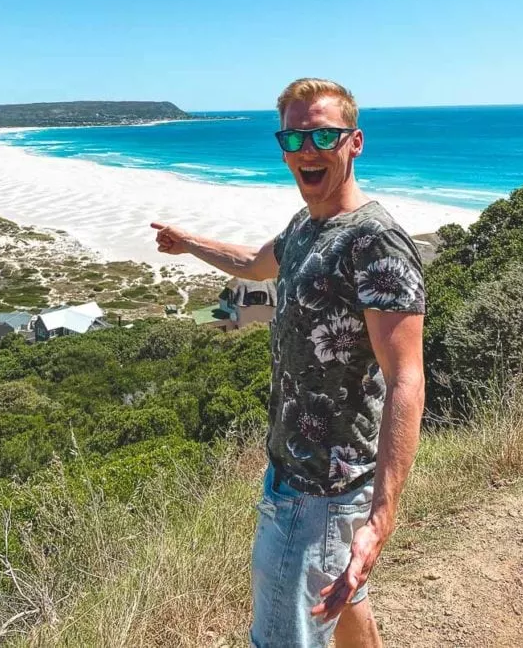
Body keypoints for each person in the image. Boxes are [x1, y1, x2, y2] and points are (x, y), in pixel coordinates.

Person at [151, 78, 425, 648]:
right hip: (299, 471)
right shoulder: (307, 226)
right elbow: (254, 264)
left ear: (354, 143)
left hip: (319, 490)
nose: (307, 147)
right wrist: (188, 242)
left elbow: (406, 377)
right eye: (294, 136)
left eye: (324, 133)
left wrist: (381, 519)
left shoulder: (375, 242)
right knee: (347, 607)